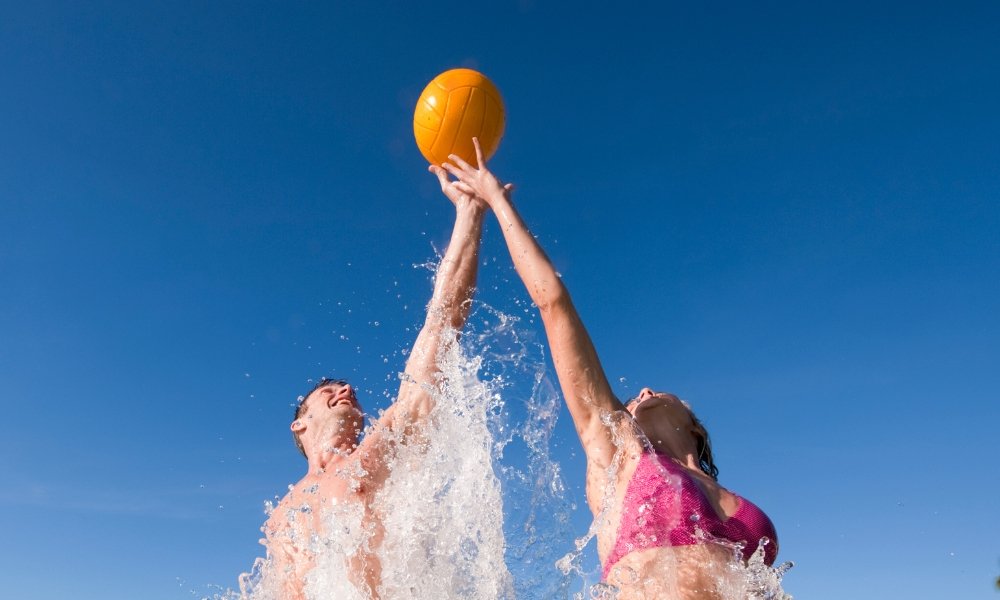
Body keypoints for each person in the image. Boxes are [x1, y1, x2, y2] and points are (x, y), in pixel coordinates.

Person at [443, 139, 779, 599]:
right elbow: (553, 304)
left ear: (695, 425)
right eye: (632, 398)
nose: (640, 390)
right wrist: (498, 200)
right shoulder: (617, 448)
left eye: (652, 391)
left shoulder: (731, 497)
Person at [258, 168, 488, 600]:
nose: (345, 391)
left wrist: (469, 212)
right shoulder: (281, 517)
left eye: (349, 391)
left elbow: (439, 330)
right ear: (299, 424)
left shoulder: (376, 454)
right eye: (328, 392)